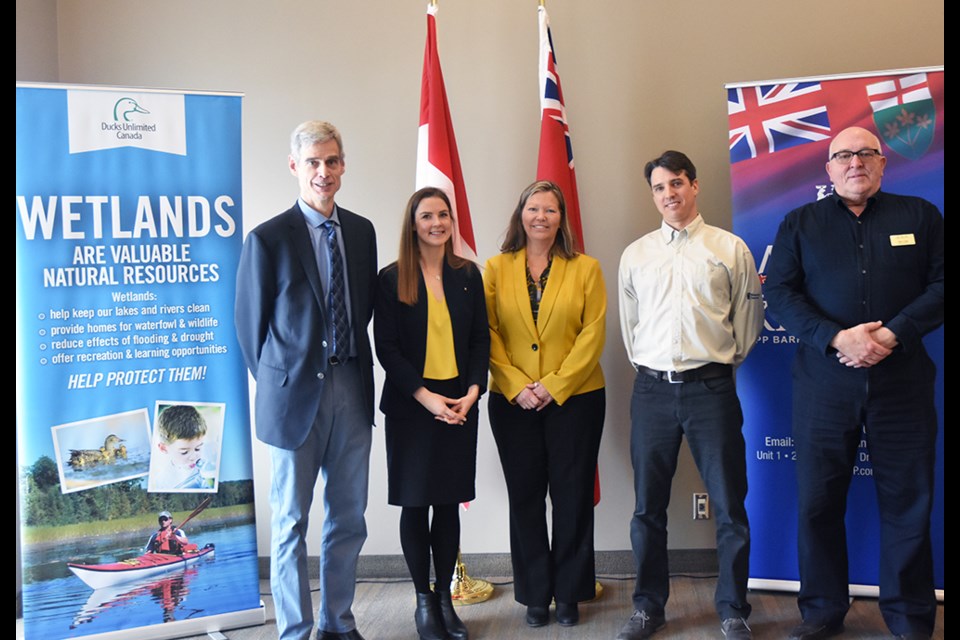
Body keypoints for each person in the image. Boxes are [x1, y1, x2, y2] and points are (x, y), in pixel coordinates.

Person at [764, 126, 943, 640]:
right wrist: (837, 338)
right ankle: (821, 612)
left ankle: (909, 619)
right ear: (828, 170)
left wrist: (892, 332)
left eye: (865, 153)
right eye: (842, 155)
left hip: (902, 384)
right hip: (824, 386)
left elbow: (944, 283)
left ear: (883, 163)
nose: (854, 162)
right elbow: (779, 292)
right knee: (818, 502)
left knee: (909, 502)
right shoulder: (800, 223)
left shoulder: (921, 217)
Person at [235, 120, 377, 640]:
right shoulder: (268, 238)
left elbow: (361, 313)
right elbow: (251, 332)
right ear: (295, 167)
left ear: (343, 165)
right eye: (313, 162)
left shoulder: (361, 232)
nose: (324, 171)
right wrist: (284, 381)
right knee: (291, 522)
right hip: (296, 398)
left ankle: (337, 623)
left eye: (332, 161)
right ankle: (295, 632)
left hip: (353, 392)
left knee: (348, 518)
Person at [616, 151, 764, 640]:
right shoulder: (636, 255)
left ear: (694, 186)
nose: (669, 194)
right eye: (659, 187)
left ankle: (732, 609)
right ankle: (647, 608)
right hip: (653, 390)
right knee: (647, 508)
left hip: (710, 388)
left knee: (729, 505)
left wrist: (718, 363)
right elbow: (629, 326)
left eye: (676, 183)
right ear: (653, 194)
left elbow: (746, 322)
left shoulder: (729, 248)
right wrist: (654, 370)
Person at [484, 180, 606, 629]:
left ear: (561, 218)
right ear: (521, 215)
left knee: (572, 498)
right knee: (527, 498)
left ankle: (571, 592)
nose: (541, 217)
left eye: (550, 210)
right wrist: (517, 384)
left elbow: (593, 335)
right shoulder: (495, 268)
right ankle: (536, 595)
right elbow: (488, 333)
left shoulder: (586, 268)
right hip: (512, 401)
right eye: (533, 209)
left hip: (577, 398)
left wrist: (554, 385)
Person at [373, 187, 490, 640]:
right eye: (427, 216)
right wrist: (427, 398)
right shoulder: (391, 278)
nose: (437, 223)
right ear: (413, 223)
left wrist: (473, 392)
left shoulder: (467, 275)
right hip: (413, 406)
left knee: (448, 502)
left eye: (443, 215)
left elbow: (481, 338)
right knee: (415, 501)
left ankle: (446, 602)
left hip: (460, 404)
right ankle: (424, 600)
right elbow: (387, 348)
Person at [151, 404, 215, 490]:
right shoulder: (163, 482)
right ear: (164, 448)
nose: (193, 457)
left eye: (198, 448)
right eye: (184, 452)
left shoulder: (211, 459)